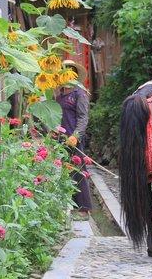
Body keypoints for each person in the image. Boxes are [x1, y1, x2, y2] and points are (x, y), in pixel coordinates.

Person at [56, 60, 92, 218]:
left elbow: (83, 118)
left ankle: (84, 209)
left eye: (68, 72)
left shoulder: (79, 94)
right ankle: (67, 206)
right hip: (60, 139)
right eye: (63, 72)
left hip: (73, 139)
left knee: (79, 172)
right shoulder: (59, 95)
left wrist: (76, 135)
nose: (65, 76)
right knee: (64, 172)